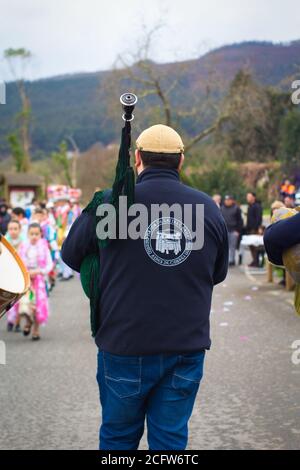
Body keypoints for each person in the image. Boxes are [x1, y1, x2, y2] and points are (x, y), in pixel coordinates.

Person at [61, 124, 228, 451]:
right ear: (181, 161)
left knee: (118, 439)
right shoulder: (207, 208)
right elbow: (217, 273)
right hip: (185, 346)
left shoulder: (111, 204)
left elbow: (70, 255)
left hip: (124, 343)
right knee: (169, 441)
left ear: (137, 158)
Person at [19, 223, 53, 340]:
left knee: (37, 306)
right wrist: (26, 273)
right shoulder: (23, 247)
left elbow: (49, 265)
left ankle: (36, 330)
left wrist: (39, 271)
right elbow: (19, 263)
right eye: (31, 234)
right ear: (28, 234)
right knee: (24, 305)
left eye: (36, 234)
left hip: (39, 281)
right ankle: (28, 322)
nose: (34, 236)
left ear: (40, 234)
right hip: (26, 280)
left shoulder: (44, 248)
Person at [5, 219, 25, 332]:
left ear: (20, 230)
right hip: (8, 275)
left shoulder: (24, 243)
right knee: (9, 299)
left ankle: (17, 322)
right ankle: (10, 320)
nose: (13, 231)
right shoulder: (4, 243)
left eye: (15, 229)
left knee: (19, 300)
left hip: (20, 275)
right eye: (10, 229)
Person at [221, 195, 243, 266]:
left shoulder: (236, 208)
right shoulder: (221, 208)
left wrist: (238, 231)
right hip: (224, 231)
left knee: (232, 247)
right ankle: (225, 261)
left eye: (229, 200)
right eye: (226, 200)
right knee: (224, 247)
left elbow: (240, 221)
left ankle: (231, 260)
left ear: (232, 200)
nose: (227, 201)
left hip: (233, 230)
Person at [246, 192, 263, 267]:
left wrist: (257, 228)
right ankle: (254, 261)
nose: (247, 198)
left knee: (256, 246)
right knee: (251, 246)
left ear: (254, 197)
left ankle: (257, 262)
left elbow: (259, 218)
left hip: (255, 229)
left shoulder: (257, 206)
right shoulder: (250, 206)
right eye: (247, 196)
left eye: (249, 196)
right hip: (249, 229)